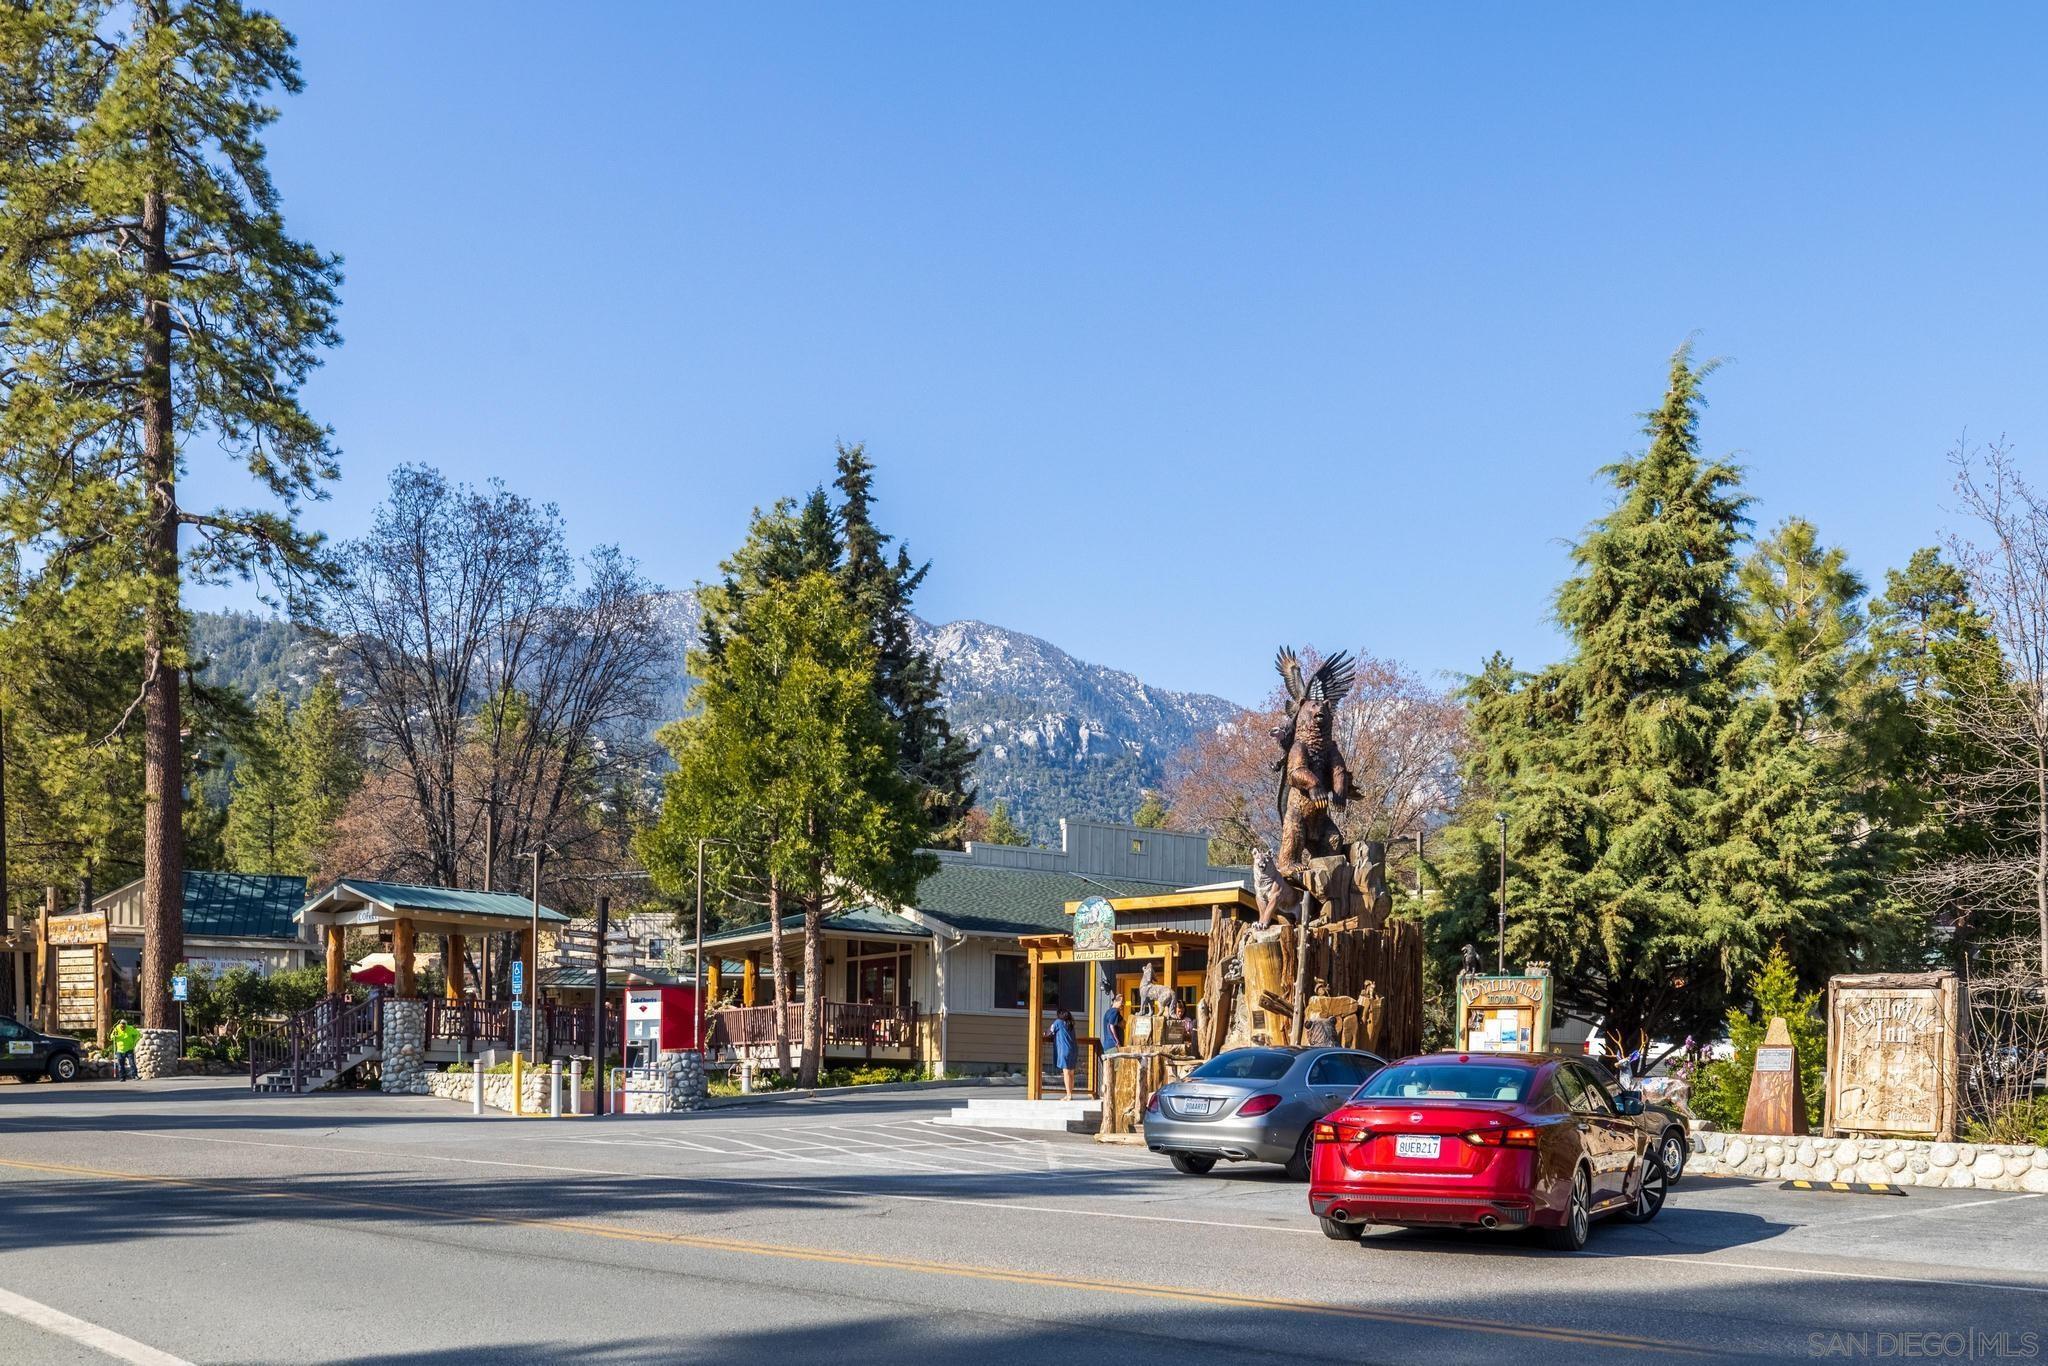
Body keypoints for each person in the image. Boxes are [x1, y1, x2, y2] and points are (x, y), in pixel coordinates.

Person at [1046, 1008, 1078, 1101]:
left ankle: (1068, 1095)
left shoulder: (1058, 1022)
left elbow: (1049, 1031)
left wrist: (1044, 1034)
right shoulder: (1070, 1024)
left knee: (1066, 1073)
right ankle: (1070, 1093)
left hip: (1064, 1050)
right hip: (1074, 1050)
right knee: (1071, 1073)